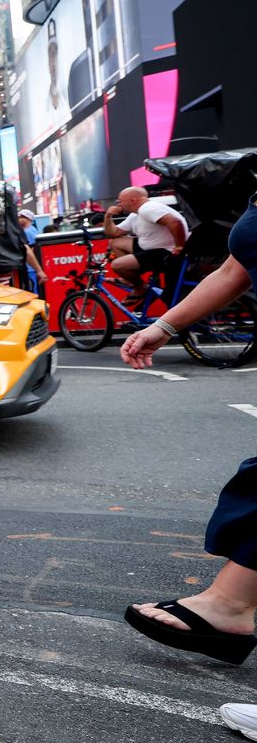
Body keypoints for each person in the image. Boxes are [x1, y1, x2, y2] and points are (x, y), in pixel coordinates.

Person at [121, 204, 257, 668]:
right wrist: (164, 326)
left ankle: (230, 606)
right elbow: (235, 265)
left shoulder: (152, 207)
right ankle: (230, 605)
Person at [102, 186, 187, 289]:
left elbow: (174, 222)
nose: (118, 204)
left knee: (117, 265)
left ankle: (140, 287)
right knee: (115, 242)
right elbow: (113, 233)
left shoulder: (147, 208)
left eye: (120, 201)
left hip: (165, 252)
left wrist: (179, 246)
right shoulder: (136, 213)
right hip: (152, 247)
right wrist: (108, 216)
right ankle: (129, 279)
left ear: (132, 200)